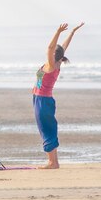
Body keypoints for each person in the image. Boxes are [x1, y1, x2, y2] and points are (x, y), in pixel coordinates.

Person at [33, 22, 84, 169]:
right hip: (41, 99)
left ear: (54, 55)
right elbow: (63, 48)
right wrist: (72, 33)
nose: (50, 51)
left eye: (53, 51)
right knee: (49, 128)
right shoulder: (56, 63)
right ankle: (54, 162)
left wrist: (57, 32)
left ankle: (52, 162)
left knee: (46, 129)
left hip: (43, 101)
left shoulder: (51, 64)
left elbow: (50, 48)